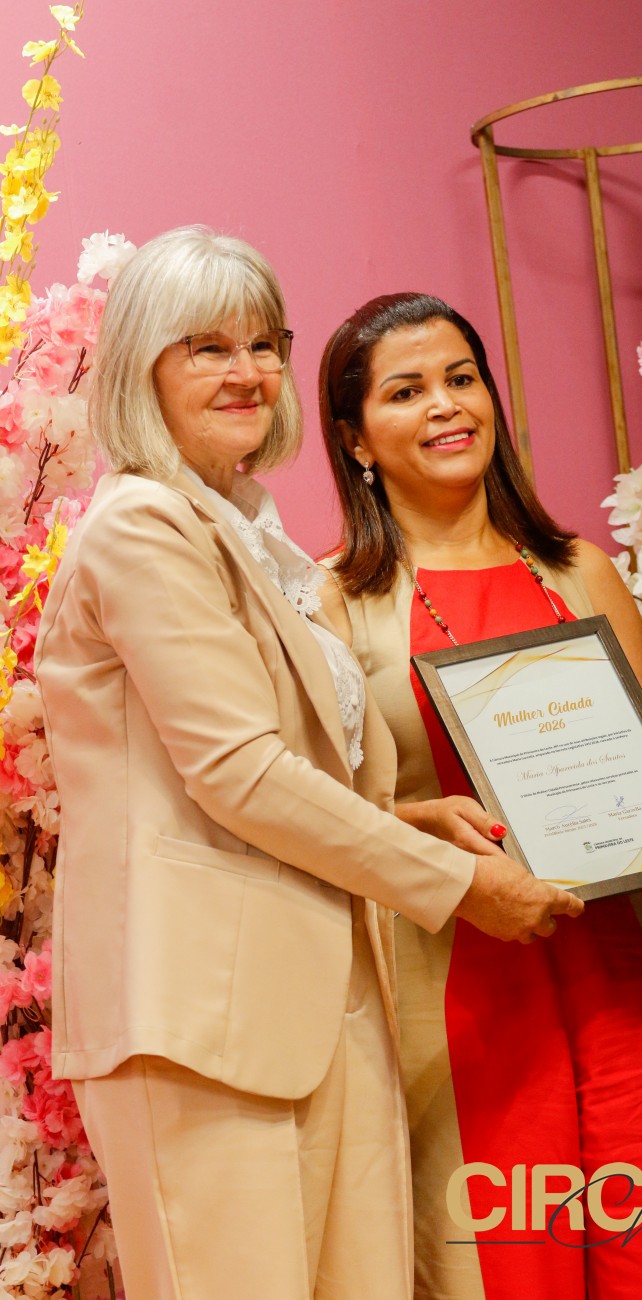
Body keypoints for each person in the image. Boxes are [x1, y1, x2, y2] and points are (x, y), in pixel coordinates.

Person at [34, 235, 583, 1300]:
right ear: (142, 363)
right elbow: (236, 772)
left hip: (323, 995)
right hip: (203, 1018)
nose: (245, 371)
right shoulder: (142, 525)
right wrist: (459, 885)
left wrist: (406, 818)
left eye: (263, 343)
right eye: (206, 347)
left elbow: (264, 769)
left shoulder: (248, 529)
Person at [317, 292, 642, 1300]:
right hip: (458, 996)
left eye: (461, 378)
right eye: (405, 391)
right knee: (504, 1273)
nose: (444, 405)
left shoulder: (578, 570)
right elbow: (319, 812)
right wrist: (423, 832)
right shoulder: (332, 600)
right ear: (355, 439)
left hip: (624, 981)